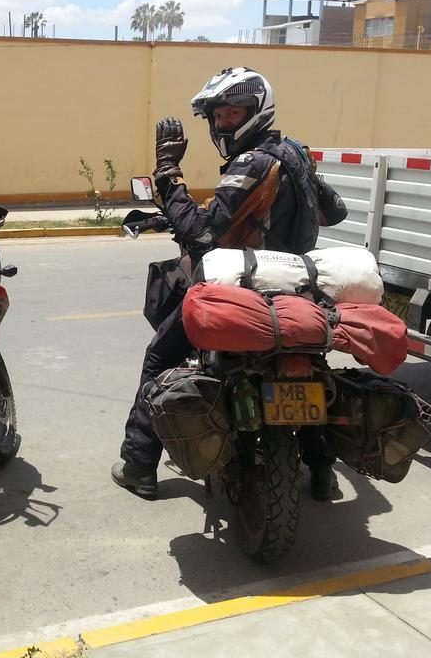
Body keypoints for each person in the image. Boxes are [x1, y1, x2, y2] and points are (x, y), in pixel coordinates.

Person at [111, 67, 348, 501]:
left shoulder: (251, 161)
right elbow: (336, 212)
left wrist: (169, 176)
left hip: (245, 288)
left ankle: (138, 465)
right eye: (217, 117)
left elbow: (203, 234)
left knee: (160, 356)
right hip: (296, 286)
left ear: (257, 111)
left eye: (231, 113)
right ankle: (322, 473)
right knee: (312, 367)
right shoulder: (294, 153)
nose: (222, 124)